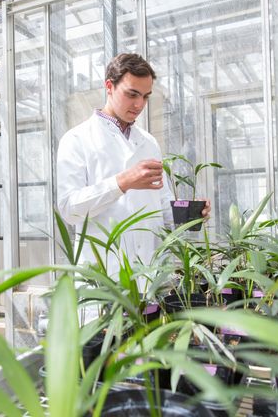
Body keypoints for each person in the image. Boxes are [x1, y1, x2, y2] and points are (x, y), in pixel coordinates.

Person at [56, 53, 211, 278]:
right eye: (132, 94)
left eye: (146, 96)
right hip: (105, 273)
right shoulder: (77, 139)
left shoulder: (148, 142)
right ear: (109, 86)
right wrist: (123, 182)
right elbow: (70, 209)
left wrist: (190, 213)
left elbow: (163, 207)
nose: (139, 105)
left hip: (149, 272)